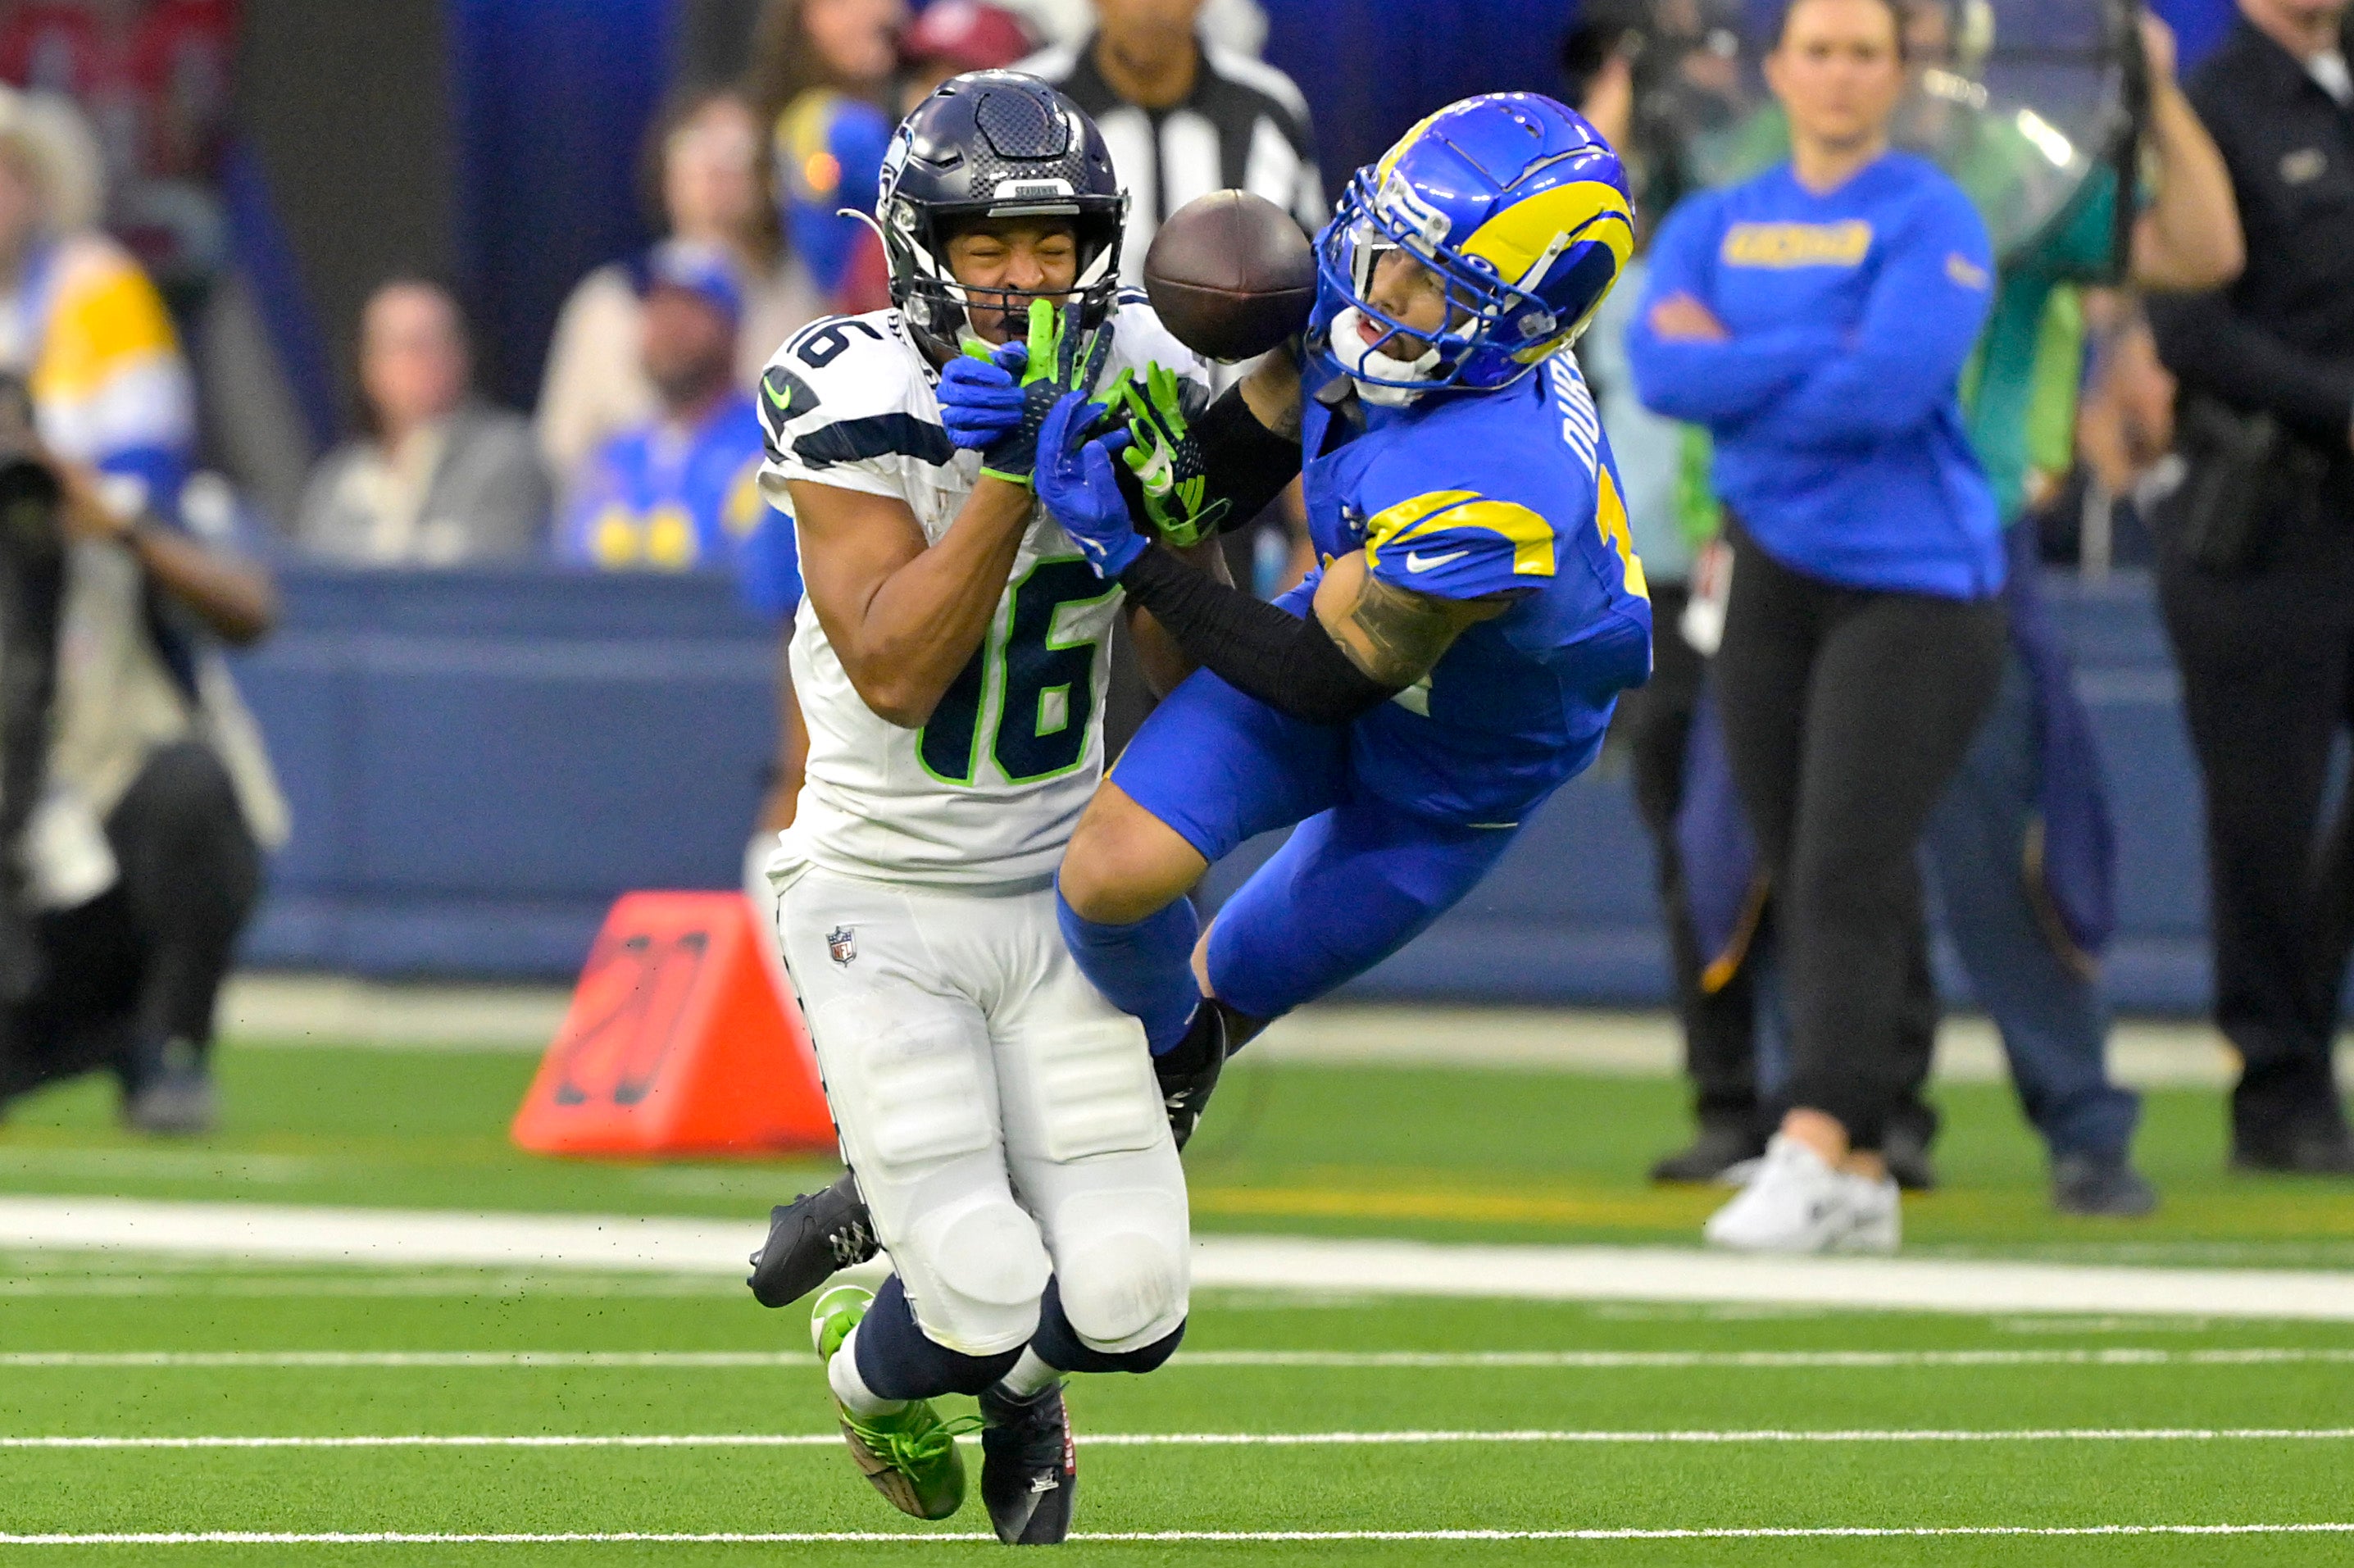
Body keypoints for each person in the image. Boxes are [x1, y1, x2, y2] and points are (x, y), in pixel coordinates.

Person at [749, 73, 1213, 1544]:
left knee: (1133, 1300)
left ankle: (1012, 1382)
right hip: (877, 898)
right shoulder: (845, 382)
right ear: (917, 247)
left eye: (1055, 244)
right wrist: (1012, 477)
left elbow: (1181, 657)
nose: (1025, 281)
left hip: (1055, 890)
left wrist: (1151, 514)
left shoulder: (1142, 359)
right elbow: (890, 664)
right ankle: (874, 1370)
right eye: (989, 245)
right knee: (977, 1278)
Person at [1627, 0, 2003, 1253]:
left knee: (1846, 861)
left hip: (1920, 583)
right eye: (1820, 49)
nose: (1841, 73)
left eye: (1866, 51)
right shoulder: (1714, 220)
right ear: (1778, 69)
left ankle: (1822, 1136)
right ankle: (1859, 1173)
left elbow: (1890, 389)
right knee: (1801, 863)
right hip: (1771, 575)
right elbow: (1662, 370)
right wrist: (1821, 340)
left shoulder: (1935, 215)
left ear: (1902, 72)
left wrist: (1746, 351)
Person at [2146, 0, 2354, 1175]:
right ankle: (2279, 1088)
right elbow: (2189, 323)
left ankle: (2305, 1019)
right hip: (2266, 510)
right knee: (2264, 819)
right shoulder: (2217, 105)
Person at [536, 89, 816, 485]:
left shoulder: (801, 295)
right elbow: (563, 455)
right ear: (667, 170)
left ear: (767, 174)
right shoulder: (609, 301)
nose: (714, 167)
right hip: (625, 530)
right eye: (694, 145)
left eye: (737, 149)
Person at [1017, 0, 1325, 286]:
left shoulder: (1267, 109)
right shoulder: (1025, 104)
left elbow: (1309, 269)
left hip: (1234, 343)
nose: (1147, 8)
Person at [557, 240, 775, 576]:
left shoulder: (769, 449)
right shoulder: (615, 455)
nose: (668, 328)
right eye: (657, 308)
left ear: (730, 328)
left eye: (688, 310)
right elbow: (564, 573)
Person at [295, 279, 549, 566]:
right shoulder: (334, 483)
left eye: (442, 341)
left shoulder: (505, 458)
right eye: (408, 345)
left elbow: (487, 581)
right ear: (368, 365)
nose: (428, 359)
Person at [752, 0, 904, 318]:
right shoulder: (841, 125)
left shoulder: (798, 119)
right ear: (803, 21)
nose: (880, 11)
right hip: (880, 320)